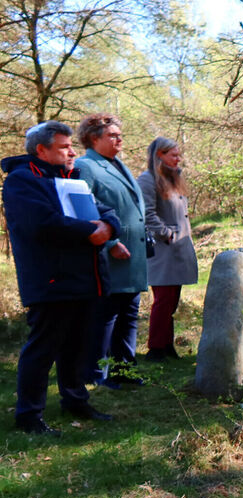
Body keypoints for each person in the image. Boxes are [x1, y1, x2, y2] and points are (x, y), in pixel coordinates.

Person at [3, 121, 121, 434]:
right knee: (43, 348)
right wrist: (91, 231)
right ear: (41, 150)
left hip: (84, 278)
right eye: (64, 147)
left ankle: (75, 400)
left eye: (71, 146)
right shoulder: (21, 181)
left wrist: (108, 227)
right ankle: (29, 415)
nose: (72, 152)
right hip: (51, 279)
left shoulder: (71, 178)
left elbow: (104, 210)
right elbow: (42, 223)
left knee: (77, 346)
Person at [75, 113, 147, 388]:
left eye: (120, 135)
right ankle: (96, 374)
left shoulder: (117, 164)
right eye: (112, 135)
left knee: (129, 315)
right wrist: (109, 243)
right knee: (105, 317)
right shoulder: (86, 166)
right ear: (93, 139)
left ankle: (124, 370)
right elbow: (83, 211)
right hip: (109, 256)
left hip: (132, 256)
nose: (119, 140)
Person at [138, 137, 199, 361]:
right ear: (159, 155)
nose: (178, 159)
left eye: (178, 154)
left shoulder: (174, 179)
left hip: (179, 250)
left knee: (172, 301)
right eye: (173, 155)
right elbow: (147, 214)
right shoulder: (147, 180)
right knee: (163, 300)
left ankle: (166, 345)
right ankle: (155, 348)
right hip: (163, 251)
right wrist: (166, 234)